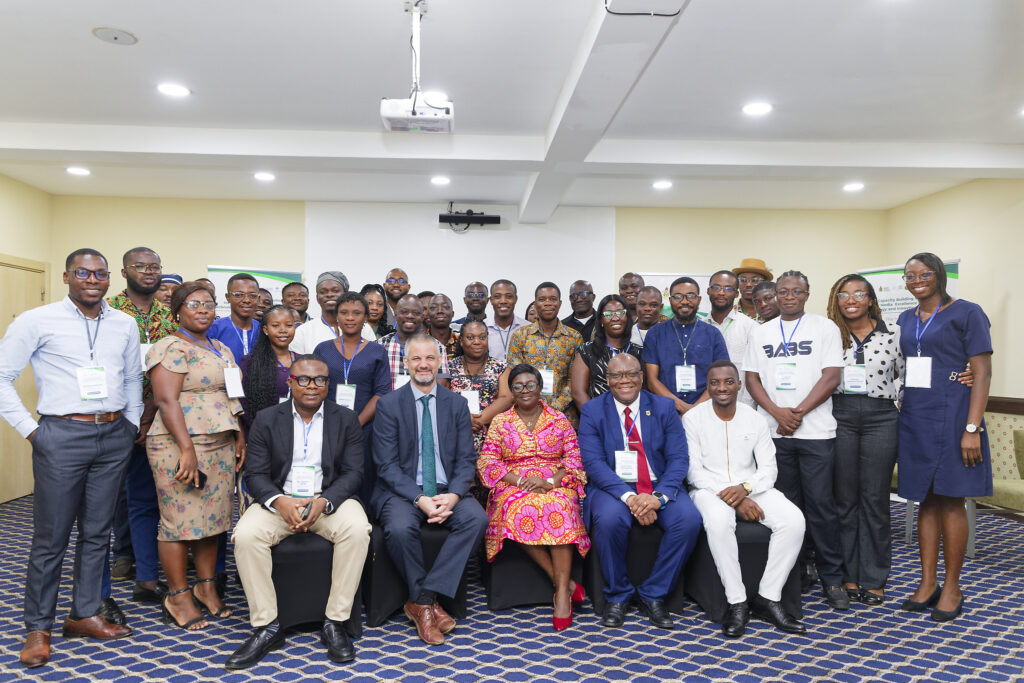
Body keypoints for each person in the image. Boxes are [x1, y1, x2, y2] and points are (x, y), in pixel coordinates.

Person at [0, 249, 140, 668]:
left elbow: (133, 376)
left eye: (100, 273)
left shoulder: (124, 323)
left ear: (110, 278)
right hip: (61, 434)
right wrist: (32, 431)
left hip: (114, 434)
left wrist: (130, 423)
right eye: (83, 272)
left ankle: (84, 613)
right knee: (50, 539)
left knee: (98, 532)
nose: (92, 279)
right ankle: (38, 627)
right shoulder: (36, 320)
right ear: (66, 277)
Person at [227, 355, 371, 669]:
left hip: (327, 499)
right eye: (303, 379)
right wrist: (280, 502)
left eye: (319, 379)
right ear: (290, 382)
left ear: (328, 385)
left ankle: (335, 621)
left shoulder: (345, 419)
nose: (311, 386)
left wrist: (324, 502)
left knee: (358, 529)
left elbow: (353, 473)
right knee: (246, 536)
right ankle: (267, 625)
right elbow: (255, 474)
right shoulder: (267, 419)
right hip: (281, 500)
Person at [371, 333, 488, 645]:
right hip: (403, 491)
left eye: (430, 358)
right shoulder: (388, 405)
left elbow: (466, 459)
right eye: (417, 359)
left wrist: (453, 495)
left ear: (440, 363)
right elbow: (386, 465)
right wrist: (419, 498)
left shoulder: (457, 404)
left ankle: (422, 599)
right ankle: (428, 604)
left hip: (447, 488)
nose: (423, 364)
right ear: (406, 364)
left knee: (476, 520)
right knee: (397, 527)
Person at [743, 271, 849, 610]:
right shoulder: (761, 332)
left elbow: (831, 376)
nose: (789, 296)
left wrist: (798, 412)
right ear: (774, 294)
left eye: (797, 291)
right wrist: (777, 412)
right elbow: (752, 379)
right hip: (774, 433)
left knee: (821, 506)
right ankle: (798, 570)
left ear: (806, 294)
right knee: (787, 507)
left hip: (815, 431)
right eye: (783, 291)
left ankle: (832, 576)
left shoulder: (825, 328)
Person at [896, 252, 992, 622]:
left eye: (923, 273)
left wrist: (972, 428)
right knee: (925, 500)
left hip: (954, 414)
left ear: (938, 275)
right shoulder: (906, 317)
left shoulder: (968, 312)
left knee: (951, 499)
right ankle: (927, 583)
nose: (916, 279)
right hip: (916, 414)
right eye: (909, 275)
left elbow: (981, 373)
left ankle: (952, 586)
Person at [578, 354, 702, 630]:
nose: (625, 381)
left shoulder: (663, 407)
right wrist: (630, 498)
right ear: (607, 380)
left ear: (641, 376)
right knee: (609, 521)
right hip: (614, 487)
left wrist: (658, 498)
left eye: (631, 374)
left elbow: (679, 458)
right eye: (617, 376)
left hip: (658, 485)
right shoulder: (593, 411)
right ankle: (618, 595)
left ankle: (653, 593)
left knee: (689, 520)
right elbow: (594, 463)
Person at [147, 281, 243, 631]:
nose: (203, 310)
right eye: (194, 304)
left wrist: (239, 436)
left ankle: (205, 589)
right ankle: (178, 595)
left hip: (221, 442)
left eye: (208, 304)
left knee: (213, 521)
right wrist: (186, 449)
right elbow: (166, 400)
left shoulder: (220, 348)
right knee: (178, 522)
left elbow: (233, 397)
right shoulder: (170, 347)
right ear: (178, 311)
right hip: (179, 445)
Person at [684, 361, 806, 637]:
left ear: (739, 385)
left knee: (794, 521)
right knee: (718, 521)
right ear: (708, 386)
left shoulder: (755, 418)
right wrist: (735, 497)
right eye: (715, 382)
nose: (722, 387)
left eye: (729, 382)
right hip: (708, 489)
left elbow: (769, 469)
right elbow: (693, 471)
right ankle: (737, 601)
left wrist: (746, 488)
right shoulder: (693, 418)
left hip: (752, 487)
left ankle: (768, 596)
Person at [478, 363, 591, 631]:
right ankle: (563, 584)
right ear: (512, 391)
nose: (525, 390)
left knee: (560, 506)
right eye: (518, 386)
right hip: (513, 484)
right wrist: (520, 481)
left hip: (554, 482)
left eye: (530, 385)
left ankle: (562, 594)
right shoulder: (501, 421)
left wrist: (550, 482)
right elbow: (487, 462)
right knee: (516, 508)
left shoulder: (558, 419)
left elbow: (574, 458)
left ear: (540, 388)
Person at [107, 248, 178, 612]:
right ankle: (142, 577)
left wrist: (151, 410)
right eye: (140, 266)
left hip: (166, 419)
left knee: (164, 499)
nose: (148, 272)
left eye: (154, 267)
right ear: (124, 271)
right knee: (133, 500)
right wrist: (133, 414)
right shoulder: (108, 309)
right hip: (121, 420)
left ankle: (155, 573)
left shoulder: (169, 314)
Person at [314, 292, 391, 501]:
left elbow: (382, 392)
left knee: (363, 479)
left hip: (365, 429)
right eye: (344, 313)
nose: (350, 318)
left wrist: (356, 423)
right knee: (328, 477)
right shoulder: (322, 349)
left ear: (365, 317)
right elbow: (314, 388)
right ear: (336, 316)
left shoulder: (377, 351)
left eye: (356, 313)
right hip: (327, 426)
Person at [643, 277, 729, 416]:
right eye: (678, 296)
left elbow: (721, 378)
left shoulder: (713, 334)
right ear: (670, 300)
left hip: (706, 412)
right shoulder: (655, 334)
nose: (684, 301)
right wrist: (682, 407)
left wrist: (694, 410)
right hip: (666, 412)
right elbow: (652, 381)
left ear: (699, 299)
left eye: (691, 296)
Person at [507, 282, 583, 422]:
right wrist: (535, 408)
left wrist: (554, 408)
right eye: (542, 299)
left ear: (560, 303)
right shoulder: (520, 336)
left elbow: (575, 380)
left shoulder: (574, 338)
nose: (547, 303)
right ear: (535, 304)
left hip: (562, 416)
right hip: (525, 415)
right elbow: (516, 377)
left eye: (553, 299)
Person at [447, 319, 513, 453]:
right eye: (470, 337)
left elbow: (507, 398)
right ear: (461, 341)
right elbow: (442, 399)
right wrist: (464, 420)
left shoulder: (501, 367)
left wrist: (478, 421)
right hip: (455, 436)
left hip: (492, 440)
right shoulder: (449, 367)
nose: (477, 342)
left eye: (482, 337)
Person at [570, 294, 643, 410]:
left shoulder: (639, 352)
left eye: (620, 313)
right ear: (601, 320)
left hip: (634, 418)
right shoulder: (587, 351)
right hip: (598, 419)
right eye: (608, 314)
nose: (615, 318)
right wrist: (596, 419)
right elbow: (578, 393)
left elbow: (646, 392)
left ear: (627, 317)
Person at [240, 305, 298, 433]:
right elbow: (243, 404)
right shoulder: (251, 362)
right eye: (276, 325)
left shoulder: (303, 361)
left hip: (297, 433)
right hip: (262, 433)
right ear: (266, 330)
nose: (283, 330)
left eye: (288, 325)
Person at [706, 270, 759, 407]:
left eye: (728, 288)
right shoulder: (700, 327)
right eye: (716, 287)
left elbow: (754, 373)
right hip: (705, 407)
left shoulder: (750, 327)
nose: (721, 293)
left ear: (736, 293)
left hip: (741, 405)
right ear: (708, 291)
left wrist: (747, 406)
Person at [377, 294, 449, 391]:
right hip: (387, 404)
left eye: (415, 313)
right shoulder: (380, 345)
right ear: (396, 315)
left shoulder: (436, 346)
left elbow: (440, 385)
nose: (410, 316)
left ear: (422, 316)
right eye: (404, 312)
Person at [292, 272, 375, 354]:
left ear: (345, 294)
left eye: (335, 291)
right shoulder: (303, 331)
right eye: (323, 292)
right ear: (317, 297)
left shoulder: (364, 328)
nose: (329, 295)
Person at [207, 273, 261, 362]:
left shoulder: (264, 331)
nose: (246, 300)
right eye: (239, 295)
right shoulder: (213, 329)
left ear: (258, 299)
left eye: (252, 295)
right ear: (228, 297)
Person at [487, 279, 528, 361]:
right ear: (491, 300)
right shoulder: (482, 327)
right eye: (497, 297)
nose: (503, 301)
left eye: (509, 296)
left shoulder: (528, 328)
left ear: (515, 299)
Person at [732, 258, 773, 322]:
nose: (748, 284)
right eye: (743, 280)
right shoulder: (730, 313)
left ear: (765, 282)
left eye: (755, 280)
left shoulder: (774, 313)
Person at [428, 294, 461, 358]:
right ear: (428, 314)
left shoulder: (462, 341)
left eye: (445, 307)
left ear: (452, 314)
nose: (440, 311)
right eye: (434, 308)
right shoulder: (419, 342)